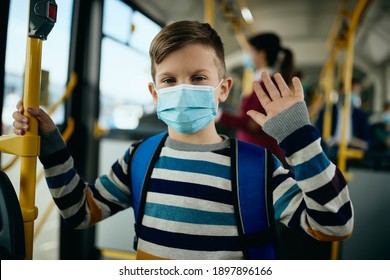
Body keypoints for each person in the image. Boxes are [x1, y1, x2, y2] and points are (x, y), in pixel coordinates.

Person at [12, 21, 353, 260]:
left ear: (223, 89)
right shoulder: (138, 159)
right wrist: (53, 146)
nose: (182, 88)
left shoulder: (258, 168)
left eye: (199, 77)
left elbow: (334, 225)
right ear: (154, 92)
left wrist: (299, 138)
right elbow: (80, 212)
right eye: (169, 80)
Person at [217, 32, 295, 168]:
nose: (248, 56)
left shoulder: (266, 84)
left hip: (260, 154)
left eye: (250, 52)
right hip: (258, 152)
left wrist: (218, 115)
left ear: (261, 54)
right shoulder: (263, 82)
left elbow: (253, 124)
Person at [315, 78, 371, 164]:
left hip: (352, 148)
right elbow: (317, 132)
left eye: (356, 92)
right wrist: (330, 141)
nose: (354, 94)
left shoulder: (361, 116)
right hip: (332, 148)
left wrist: (360, 143)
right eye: (352, 90)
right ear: (340, 91)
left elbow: (367, 140)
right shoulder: (327, 112)